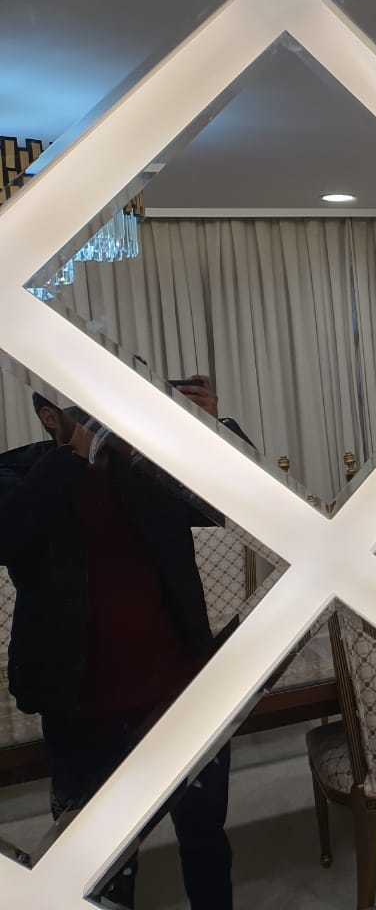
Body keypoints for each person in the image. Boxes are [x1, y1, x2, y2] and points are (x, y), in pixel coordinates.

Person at [0, 377, 238, 910]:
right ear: (49, 417)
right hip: (83, 712)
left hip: (184, 696)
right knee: (99, 872)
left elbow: (236, 504)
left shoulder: (147, 467)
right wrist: (75, 456)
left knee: (206, 843)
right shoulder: (20, 473)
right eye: (84, 406)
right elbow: (7, 532)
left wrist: (204, 432)